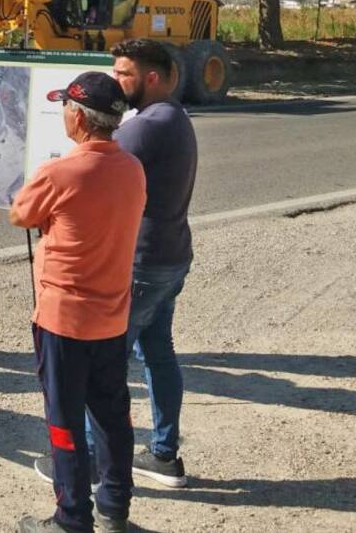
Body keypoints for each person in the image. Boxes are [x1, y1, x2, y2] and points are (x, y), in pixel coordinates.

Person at [10, 71, 146, 533]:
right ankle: (115, 508)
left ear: (80, 118)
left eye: (66, 106)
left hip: (64, 319)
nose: (64, 114)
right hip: (111, 317)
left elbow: (19, 214)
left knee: (64, 422)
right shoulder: (132, 168)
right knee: (113, 417)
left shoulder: (60, 172)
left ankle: (72, 517)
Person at [107, 37, 199, 487]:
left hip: (142, 264)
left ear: (152, 77)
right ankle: (164, 455)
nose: (115, 81)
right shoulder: (172, 116)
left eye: (123, 74)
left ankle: (94, 463)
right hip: (168, 257)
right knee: (159, 354)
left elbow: (91, 160)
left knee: (105, 364)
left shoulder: (147, 125)